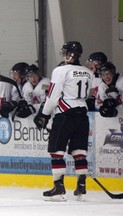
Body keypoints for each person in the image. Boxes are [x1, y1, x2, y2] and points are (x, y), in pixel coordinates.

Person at [33, 41, 93, 201]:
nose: (65, 55)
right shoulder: (88, 72)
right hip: (83, 115)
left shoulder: (60, 70)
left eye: (66, 53)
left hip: (65, 115)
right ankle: (81, 186)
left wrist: (44, 114)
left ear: (71, 54)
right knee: (79, 152)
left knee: (57, 151)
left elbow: (53, 96)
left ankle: (58, 188)